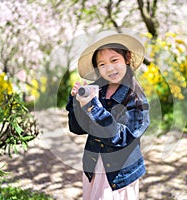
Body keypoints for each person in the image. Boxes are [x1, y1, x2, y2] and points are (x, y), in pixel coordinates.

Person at [66, 31, 150, 200]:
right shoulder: (97, 90)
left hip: (119, 175)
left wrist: (92, 107)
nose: (109, 68)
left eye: (114, 60)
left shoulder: (136, 99)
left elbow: (120, 137)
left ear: (127, 58)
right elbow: (77, 128)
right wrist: (77, 102)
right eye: (102, 64)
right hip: (93, 167)